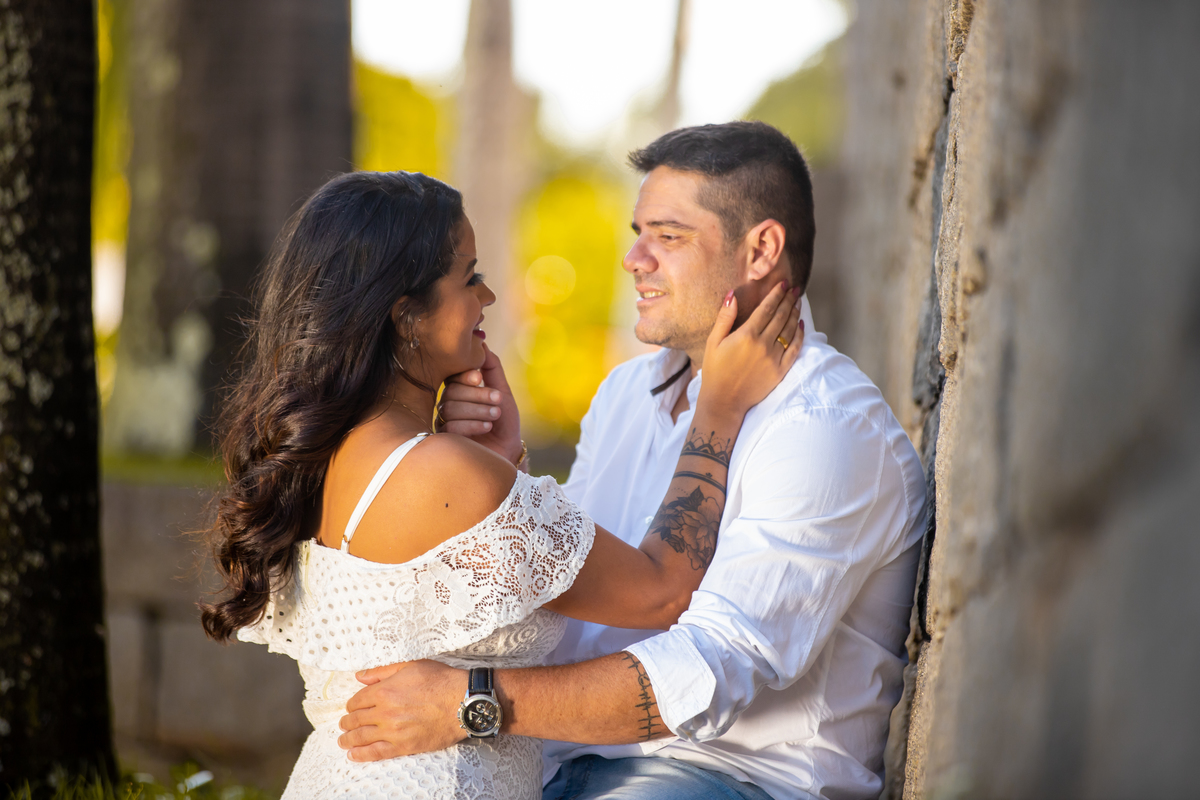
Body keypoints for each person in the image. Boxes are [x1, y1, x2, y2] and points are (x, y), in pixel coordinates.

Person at [336, 122, 928, 800]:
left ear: (762, 249)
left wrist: (471, 701)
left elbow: (712, 669)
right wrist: (505, 478)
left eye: (669, 237)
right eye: (638, 233)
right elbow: (576, 603)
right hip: (555, 767)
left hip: (722, 780)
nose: (633, 259)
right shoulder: (627, 393)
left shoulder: (824, 426)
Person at [199, 169, 803, 799]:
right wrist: (718, 408)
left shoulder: (327, 454)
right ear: (406, 316)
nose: (487, 296)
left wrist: (501, 460)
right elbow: (662, 591)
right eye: (470, 277)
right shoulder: (445, 474)